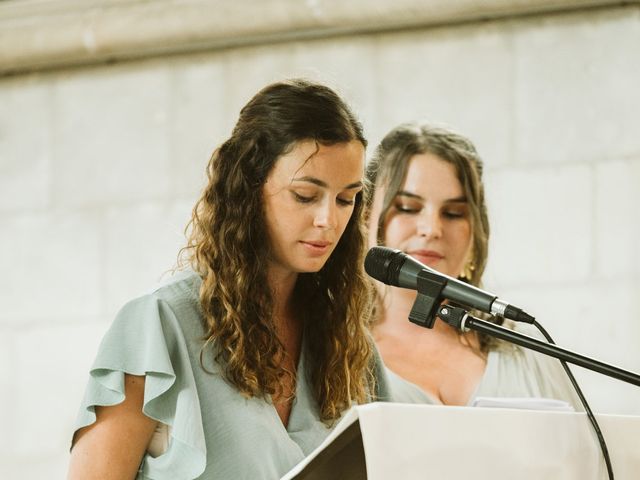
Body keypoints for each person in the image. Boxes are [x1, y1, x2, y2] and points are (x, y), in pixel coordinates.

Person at [68, 79, 420, 480]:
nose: (329, 220)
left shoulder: (350, 347)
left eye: (346, 199)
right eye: (305, 195)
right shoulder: (159, 326)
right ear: (249, 188)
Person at [365, 122, 581, 408]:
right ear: (365, 216)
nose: (431, 228)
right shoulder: (332, 350)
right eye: (408, 208)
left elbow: (586, 451)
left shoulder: (526, 348)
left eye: (454, 213)